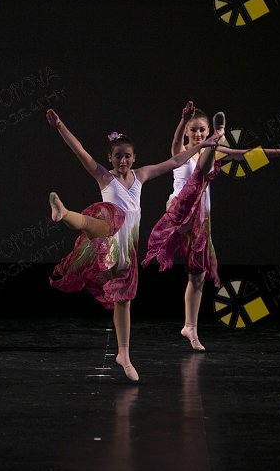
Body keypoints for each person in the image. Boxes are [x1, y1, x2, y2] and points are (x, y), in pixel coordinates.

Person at [45, 108, 218, 382]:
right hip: (108, 238)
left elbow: (175, 160)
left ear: (134, 158)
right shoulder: (104, 177)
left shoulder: (141, 175)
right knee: (105, 220)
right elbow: (80, 152)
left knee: (124, 301)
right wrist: (60, 126)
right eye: (117, 156)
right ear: (110, 158)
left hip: (127, 249)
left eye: (127, 156)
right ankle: (64, 213)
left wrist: (205, 145)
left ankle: (123, 355)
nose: (122, 160)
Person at [142, 101, 280, 351]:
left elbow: (246, 154)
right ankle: (219, 135)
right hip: (179, 210)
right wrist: (182, 120)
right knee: (202, 170)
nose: (198, 134)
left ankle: (190, 327)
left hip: (200, 218)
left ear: (206, 130)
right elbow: (175, 141)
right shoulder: (181, 151)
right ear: (187, 132)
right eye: (193, 130)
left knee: (197, 276)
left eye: (202, 130)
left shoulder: (214, 152)